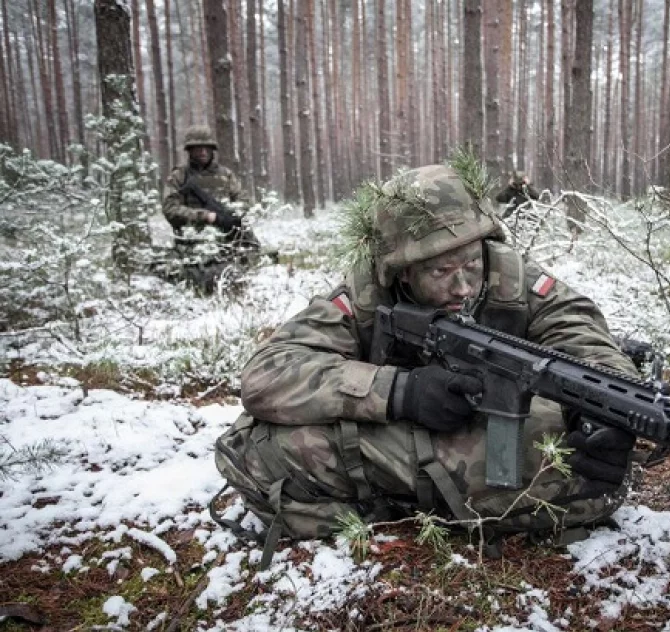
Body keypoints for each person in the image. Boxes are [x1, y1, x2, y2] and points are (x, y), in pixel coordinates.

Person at [213, 162, 644, 563]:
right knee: (258, 448)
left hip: (496, 426)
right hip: (405, 428)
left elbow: (578, 330)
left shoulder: (512, 277)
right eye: (441, 272)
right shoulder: (367, 295)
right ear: (402, 272)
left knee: (588, 464)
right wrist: (400, 391)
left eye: (472, 264)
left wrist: (605, 406)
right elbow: (267, 374)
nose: (462, 287)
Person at [162, 124, 255, 246]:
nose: (203, 152)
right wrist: (204, 216)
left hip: (227, 242)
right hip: (191, 242)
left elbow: (244, 201)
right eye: (198, 148)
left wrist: (229, 214)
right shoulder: (179, 176)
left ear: (213, 150)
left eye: (207, 148)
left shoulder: (226, 175)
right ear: (190, 150)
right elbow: (170, 209)